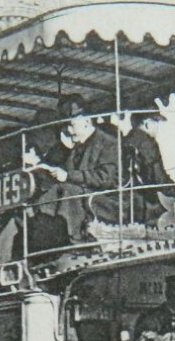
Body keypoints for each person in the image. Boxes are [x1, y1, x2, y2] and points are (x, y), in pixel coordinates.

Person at [26, 100, 120, 243]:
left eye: (71, 125)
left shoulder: (109, 143)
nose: (69, 131)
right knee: (47, 195)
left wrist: (68, 175)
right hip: (79, 195)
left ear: (87, 121)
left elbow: (105, 178)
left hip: (105, 200)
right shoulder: (76, 147)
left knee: (66, 192)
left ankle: (71, 240)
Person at [117, 108, 174, 223]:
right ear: (147, 123)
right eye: (156, 122)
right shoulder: (147, 143)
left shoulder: (123, 141)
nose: (157, 127)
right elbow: (159, 181)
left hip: (125, 202)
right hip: (146, 205)